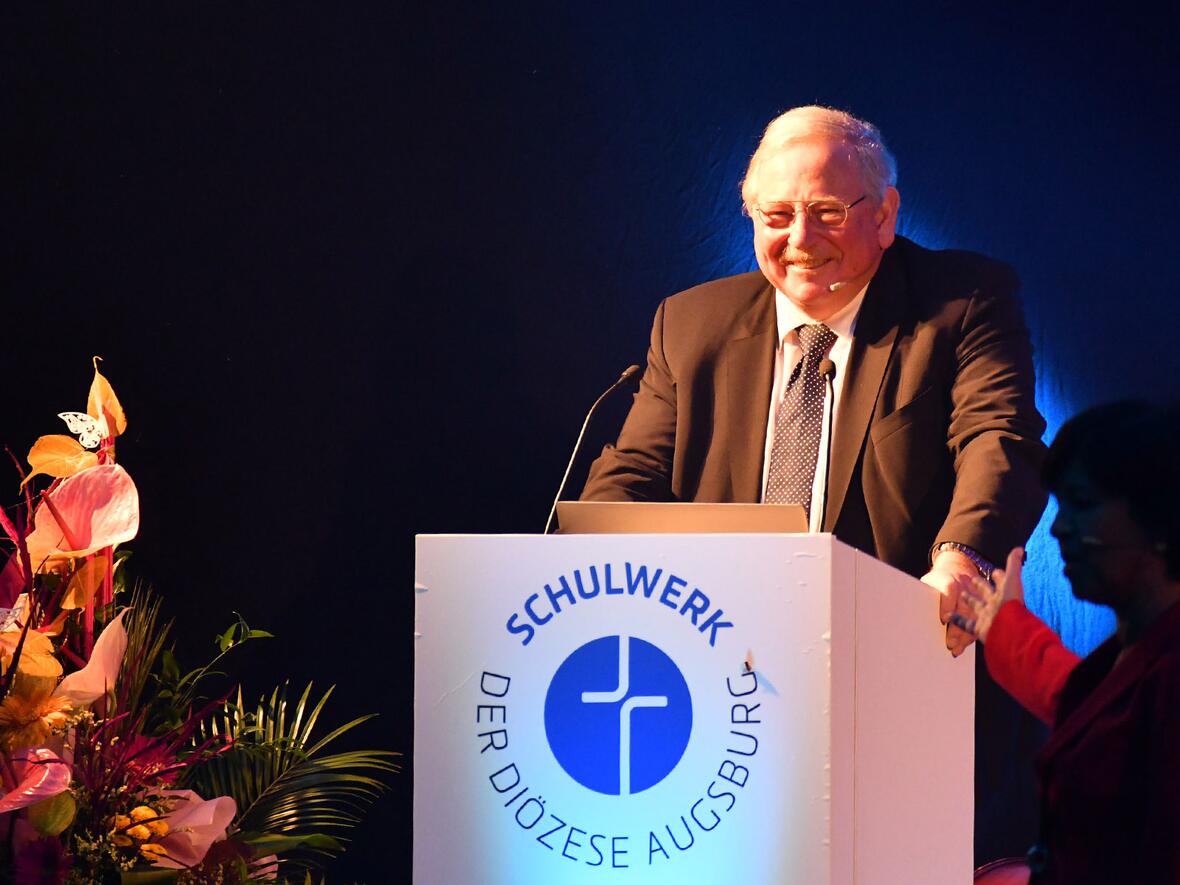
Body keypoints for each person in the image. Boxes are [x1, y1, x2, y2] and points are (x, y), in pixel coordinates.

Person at [581, 105, 1048, 655]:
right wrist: (580, 564)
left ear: (884, 216)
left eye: (827, 212)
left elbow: (996, 436)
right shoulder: (690, 325)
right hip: (719, 651)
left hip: (902, 644)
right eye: (777, 215)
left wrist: (961, 560)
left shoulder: (962, 305)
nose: (801, 238)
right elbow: (634, 474)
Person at [957, 402, 1180, 883]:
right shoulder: (1135, 659)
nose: (1058, 528)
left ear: (1159, 518)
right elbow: (1085, 701)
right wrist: (1006, 627)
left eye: (1082, 503)